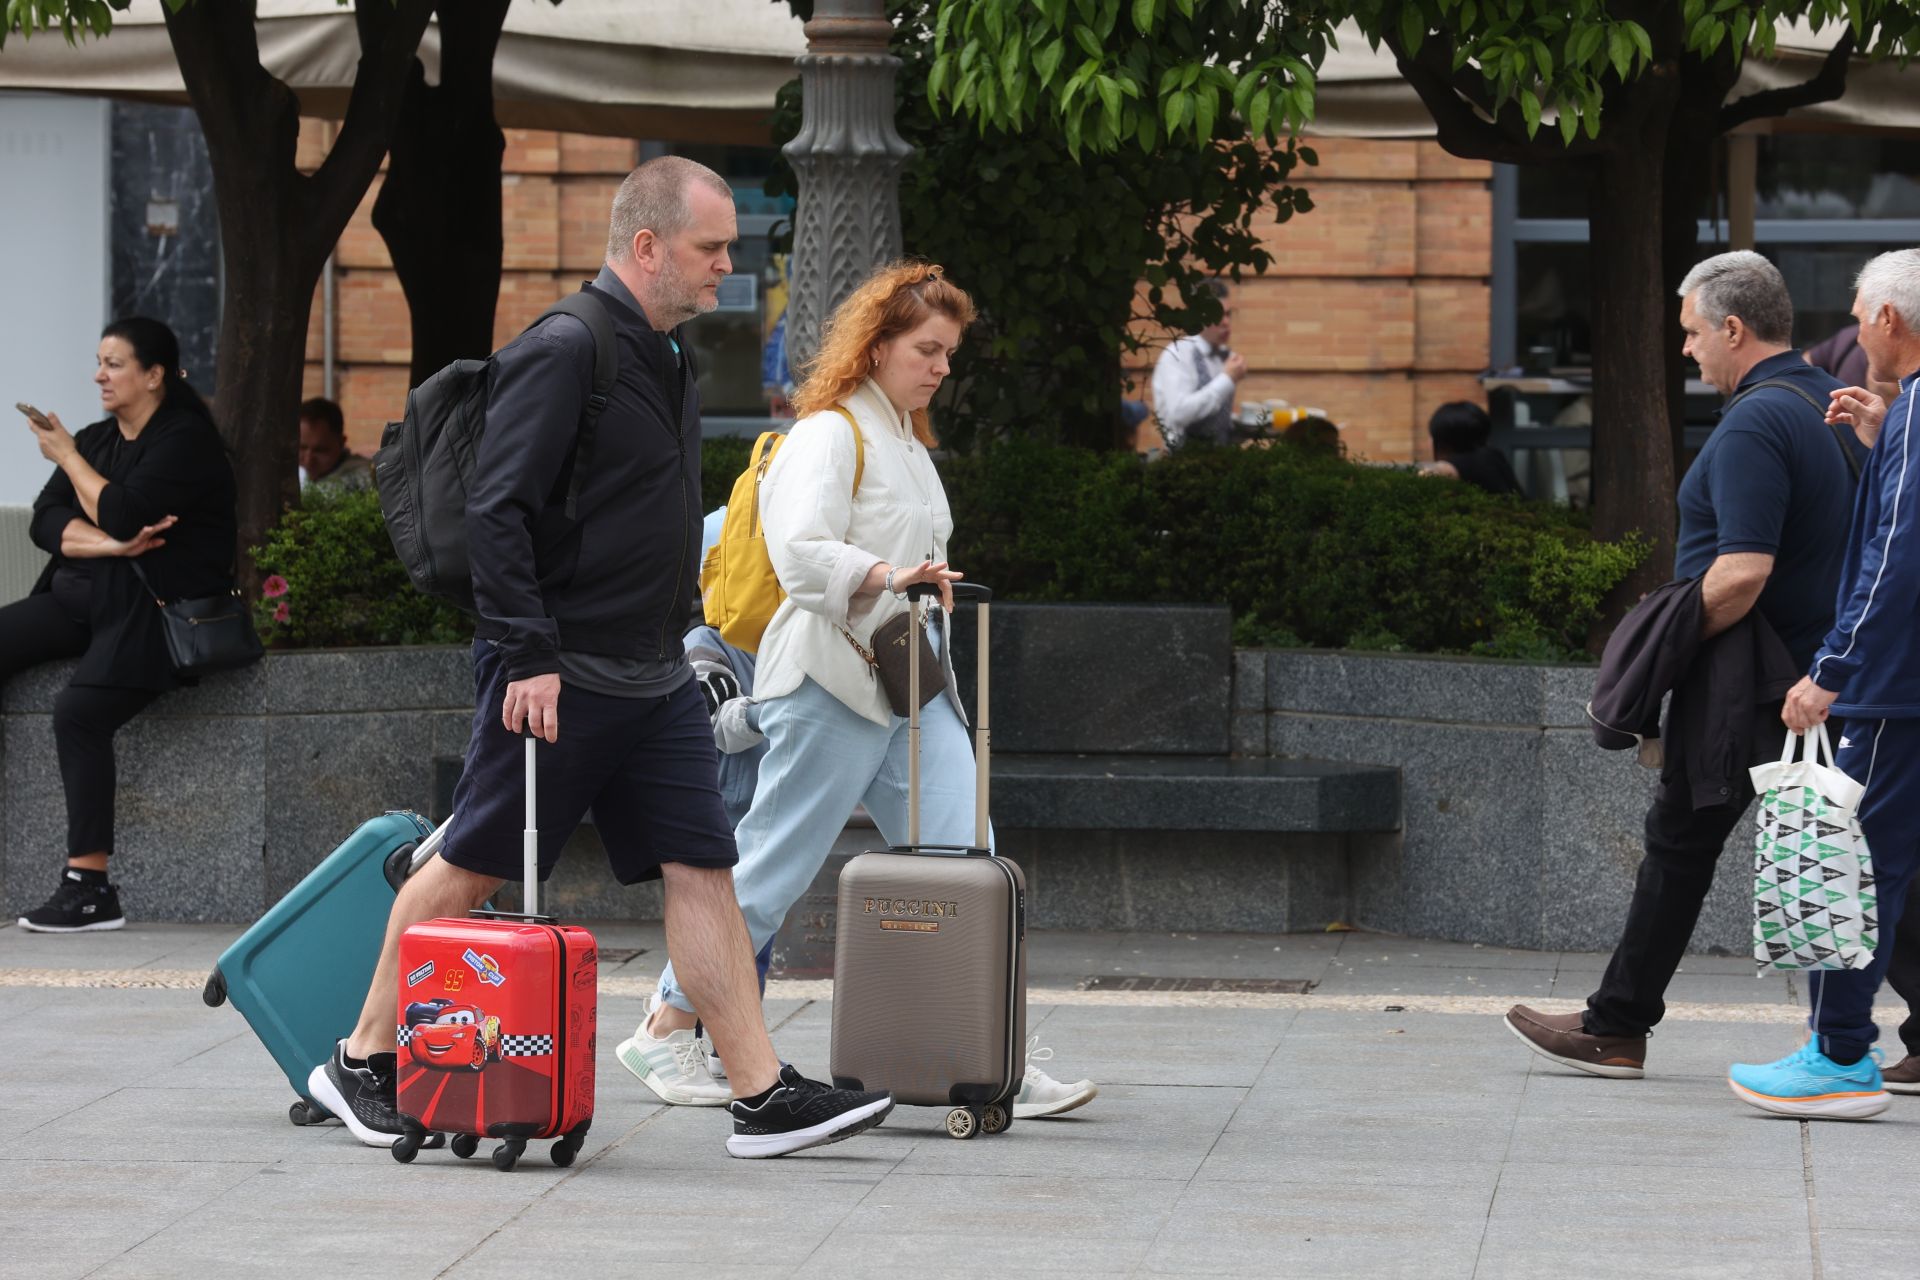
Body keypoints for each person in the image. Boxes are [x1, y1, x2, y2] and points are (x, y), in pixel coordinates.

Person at [305, 155, 894, 1160]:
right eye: (711, 250)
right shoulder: (568, 346)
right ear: (647, 245)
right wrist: (530, 651)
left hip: (651, 671)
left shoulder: (664, 355)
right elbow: (499, 507)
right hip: (560, 670)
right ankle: (361, 1057)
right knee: (474, 858)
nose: (725, 269)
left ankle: (758, 1090)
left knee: (705, 864)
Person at [633, 260, 1098, 1121]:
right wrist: (889, 572)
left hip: (907, 679)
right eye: (928, 348)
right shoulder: (830, 433)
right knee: (772, 865)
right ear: (877, 345)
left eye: (949, 352)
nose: (942, 367)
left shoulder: (903, 440)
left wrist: (904, 581)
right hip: (829, 677)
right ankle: (666, 1026)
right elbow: (799, 549)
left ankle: (994, 1058)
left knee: (974, 859)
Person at [1505, 250, 1864, 1079]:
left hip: (1757, 681)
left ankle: (1616, 1025)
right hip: (1819, 673)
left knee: (1680, 840)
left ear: (1733, 328)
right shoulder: (1828, 404)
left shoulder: (1753, 422)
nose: (1688, 350)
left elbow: (1741, 572)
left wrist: (1662, 642)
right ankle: (1617, 1022)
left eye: (1693, 333)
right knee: (1856, 844)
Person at [1735, 247, 1920, 1118]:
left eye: (1857, 313)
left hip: (1893, 684)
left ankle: (1841, 1055)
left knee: (1857, 867)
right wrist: (1885, 440)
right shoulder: (1909, 413)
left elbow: (1893, 558)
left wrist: (1832, 671)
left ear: (1888, 319)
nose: (1852, 330)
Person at [6, 318, 238, 933]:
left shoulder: (183, 441)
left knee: (78, 712)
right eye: (99, 362)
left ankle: (90, 888)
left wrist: (66, 457)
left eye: (114, 364)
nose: (98, 375)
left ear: (154, 375)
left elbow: (123, 508)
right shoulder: (97, 440)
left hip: (152, 611)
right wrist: (109, 548)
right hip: (84, 594)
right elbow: (45, 521)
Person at [1150, 279, 1246, 449]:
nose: (1226, 322)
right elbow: (1178, 413)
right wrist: (1226, 379)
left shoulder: (1226, 356)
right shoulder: (1178, 354)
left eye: (1228, 314)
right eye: (1219, 315)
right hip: (1182, 464)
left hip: (1223, 463)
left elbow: (1214, 417)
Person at [1421, 401, 1522, 495]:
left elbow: (1438, 473)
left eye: (1431, 437)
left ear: (1442, 440)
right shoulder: (1494, 456)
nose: (1428, 442)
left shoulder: (1451, 468)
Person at [296, 397, 372, 491]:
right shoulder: (289, 474)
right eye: (301, 448)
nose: (308, 460)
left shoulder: (365, 479)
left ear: (341, 443)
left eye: (320, 451)